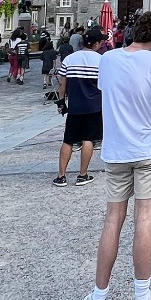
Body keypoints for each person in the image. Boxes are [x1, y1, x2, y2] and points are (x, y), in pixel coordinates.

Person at [80, 11, 151, 300]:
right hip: (147, 148)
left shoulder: (108, 59)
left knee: (112, 220)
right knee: (144, 220)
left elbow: (108, 93)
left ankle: (98, 297)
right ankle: (142, 296)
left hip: (116, 149)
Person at [53, 29, 105, 187]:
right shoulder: (101, 60)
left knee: (68, 140)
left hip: (75, 107)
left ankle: (61, 176)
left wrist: (61, 102)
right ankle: (82, 174)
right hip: (94, 106)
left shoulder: (70, 58)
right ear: (96, 44)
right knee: (88, 139)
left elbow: (62, 82)